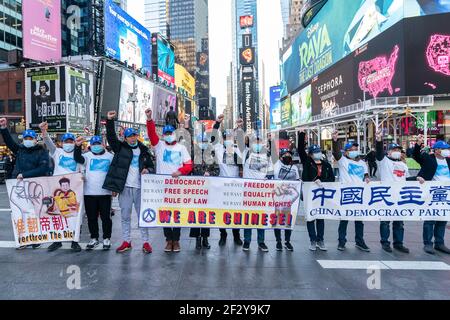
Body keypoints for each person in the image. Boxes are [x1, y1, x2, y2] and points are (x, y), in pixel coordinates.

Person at [103, 111, 154, 254]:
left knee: (142, 216)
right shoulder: (121, 148)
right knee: (125, 216)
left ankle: (146, 242)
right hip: (124, 187)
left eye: (134, 135)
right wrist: (109, 120)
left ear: (137, 136)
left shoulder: (144, 150)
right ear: (125, 138)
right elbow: (112, 137)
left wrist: (147, 170)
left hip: (140, 188)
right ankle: (126, 241)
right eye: (129, 136)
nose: (132, 138)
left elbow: (151, 166)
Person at [145, 108, 193, 253]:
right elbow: (152, 134)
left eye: (170, 133)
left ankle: (176, 241)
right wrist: (149, 119)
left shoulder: (181, 148)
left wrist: (180, 171)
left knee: (177, 213)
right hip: (162, 187)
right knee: (165, 213)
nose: (168, 135)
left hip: (177, 187)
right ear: (163, 135)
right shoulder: (159, 146)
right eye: (166, 133)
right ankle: (168, 240)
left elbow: (189, 165)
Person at [0, 118, 50, 250]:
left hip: (35, 186)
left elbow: (44, 168)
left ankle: (35, 238)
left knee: (34, 213)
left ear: (35, 140)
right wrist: (4, 128)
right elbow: (9, 142)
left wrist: (25, 175)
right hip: (18, 186)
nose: (28, 140)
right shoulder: (20, 149)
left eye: (30, 138)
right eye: (26, 138)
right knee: (19, 213)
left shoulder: (42, 151)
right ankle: (23, 238)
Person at [39, 122, 83, 252]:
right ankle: (57, 240)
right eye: (66, 141)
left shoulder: (78, 154)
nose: (68, 143)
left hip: (74, 189)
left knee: (75, 215)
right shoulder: (56, 152)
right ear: (62, 143)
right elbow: (47, 142)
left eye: (71, 141)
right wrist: (44, 131)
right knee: (57, 214)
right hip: (57, 189)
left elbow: (82, 168)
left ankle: (75, 241)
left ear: (74, 142)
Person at [332, 131, 371, 252]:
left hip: (359, 195)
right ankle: (341, 241)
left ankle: (360, 241)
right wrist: (335, 141)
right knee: (344, 219)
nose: (355, 150)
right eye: (352, 149)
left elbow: (365, 175)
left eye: (356, 148)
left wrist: (367, 178)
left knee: (359, 220)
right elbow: (336, 153)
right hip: (347, 194)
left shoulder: (362, 163)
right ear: (347, 151)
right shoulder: (343, 160)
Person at [74, 136, 114, 251]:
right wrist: (77, 146)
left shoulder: (110, 157)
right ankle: (94, 238)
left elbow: (114, 172)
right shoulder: (87, 156)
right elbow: (77, 158)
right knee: (91, 218)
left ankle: (107, 238)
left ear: (102, 144)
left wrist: (114, 188)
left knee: (106, 217)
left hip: (105, 192)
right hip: (89, 192)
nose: (96, 146)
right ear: (90, 145)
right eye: (94, 144)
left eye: (98, 143)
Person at [298, 129, 335, 251]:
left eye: (319, 151)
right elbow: (300, 151)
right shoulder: (307, 162)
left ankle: (320, 239)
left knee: (320, 217)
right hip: (310, 194)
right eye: (315, 152)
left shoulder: (326, 165)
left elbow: (331, 178)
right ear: (310, 154)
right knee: (310, 216)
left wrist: (323, 182)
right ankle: (312, 240)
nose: (317, 153)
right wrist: (302, 135)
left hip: (322, 195)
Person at [413, 134, 450, 255]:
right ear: (437, 150)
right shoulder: (429, 158)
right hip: (432, 193)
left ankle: (439, 243)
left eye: (447, 148)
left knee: (443, 218)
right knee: (430, 219)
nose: (446, 151)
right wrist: (418, 144)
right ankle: (428, 243)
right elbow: (416, 156)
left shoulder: (448, 160)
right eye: (444, 149)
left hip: (446, 194)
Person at [375, 131, 410, 253]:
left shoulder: (403, 165)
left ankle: (398, 243)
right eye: (394, 149)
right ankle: (385, 242)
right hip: (386, 197)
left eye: (399, 150)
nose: (397, 152)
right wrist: (379, 141)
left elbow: (407, 179)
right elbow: (379, 153)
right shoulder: (383, 161)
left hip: (400, 197)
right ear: (388, 152)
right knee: (385, 221)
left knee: (399, 222)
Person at [213, 115, 243, 246]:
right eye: (225, 138)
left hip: (235, 189)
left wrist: (240, 128)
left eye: (230, 138)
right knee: (222, 213)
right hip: (222, 188)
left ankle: (236, 236)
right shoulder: (219, 149)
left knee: (235, 213)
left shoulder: (238, 150)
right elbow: (213, 138)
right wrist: (217, 123)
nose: (228, 140)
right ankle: (223, 234)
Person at [242, 131, 273, 252]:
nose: (258, 143)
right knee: (248, 217)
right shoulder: (246, 153)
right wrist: (240, 128)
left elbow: (271, 173)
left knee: (261, 217)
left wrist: (268, 178)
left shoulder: (267, 155)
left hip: (261, 192)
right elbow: (241, 142)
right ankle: (247, 241)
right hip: (248, 191)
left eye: (260, 141)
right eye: (255, 141)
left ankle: (261, 242)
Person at [190, 132, 219, 250]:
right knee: (197, 214)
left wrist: (210, 173)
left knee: (206, 214)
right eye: (201, 142)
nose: (203, 144)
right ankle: (197, 238)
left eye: (205, 142)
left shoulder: (212, 154)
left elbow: (217, 170)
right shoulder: (192, 154)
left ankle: (205, 238)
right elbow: (188, 168)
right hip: (196, 190)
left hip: (208, 189)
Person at [273, 148, 300, 251]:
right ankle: (278, 241)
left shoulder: (294, 168)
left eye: (289, 154)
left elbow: (297, 181)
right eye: (285, 154)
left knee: (288, 220)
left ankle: (287, 241)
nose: (288, 156)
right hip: (279, 197)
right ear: (281, 157)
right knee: (277, 220)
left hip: (290, 199)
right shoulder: (277, 165)